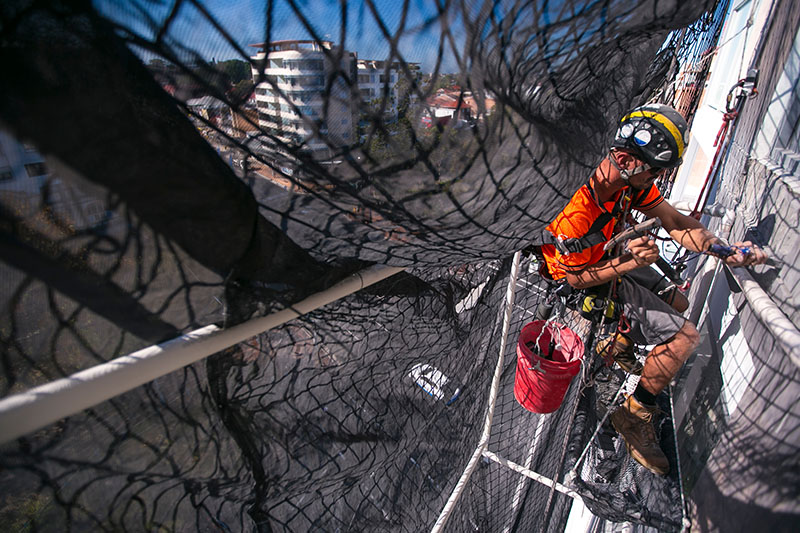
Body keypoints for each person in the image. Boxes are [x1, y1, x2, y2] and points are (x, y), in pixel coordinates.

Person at [538, 103, 768, 475]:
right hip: (584, 279)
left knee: (678, 300)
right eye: (657, 170)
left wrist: (721, 249)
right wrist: (632, 263)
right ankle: (633, 416)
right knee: (683, 339)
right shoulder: (577, 212)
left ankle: (622, 342)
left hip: (609, 254)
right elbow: (575, 279)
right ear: (628, 160)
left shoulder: (626, 181)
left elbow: (673, 219)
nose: (658, 177)